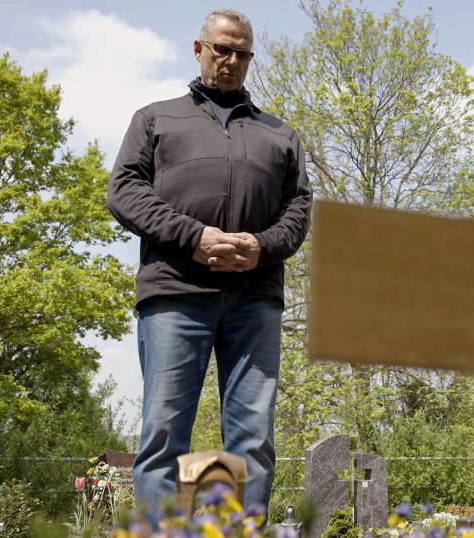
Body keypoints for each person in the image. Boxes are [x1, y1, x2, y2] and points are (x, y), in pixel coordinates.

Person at [106, 8, 311, 519]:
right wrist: (193, 236)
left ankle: (240, 532)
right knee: (162, 434)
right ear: (198, 49)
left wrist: (260, 247)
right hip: (174, 293)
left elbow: (299, 210)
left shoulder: (279, 134)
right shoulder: (155, 118)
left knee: (253, 438)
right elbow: (124, 191)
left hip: (255, 299)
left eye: (242, 53)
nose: (231, 60)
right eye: (221, 49)